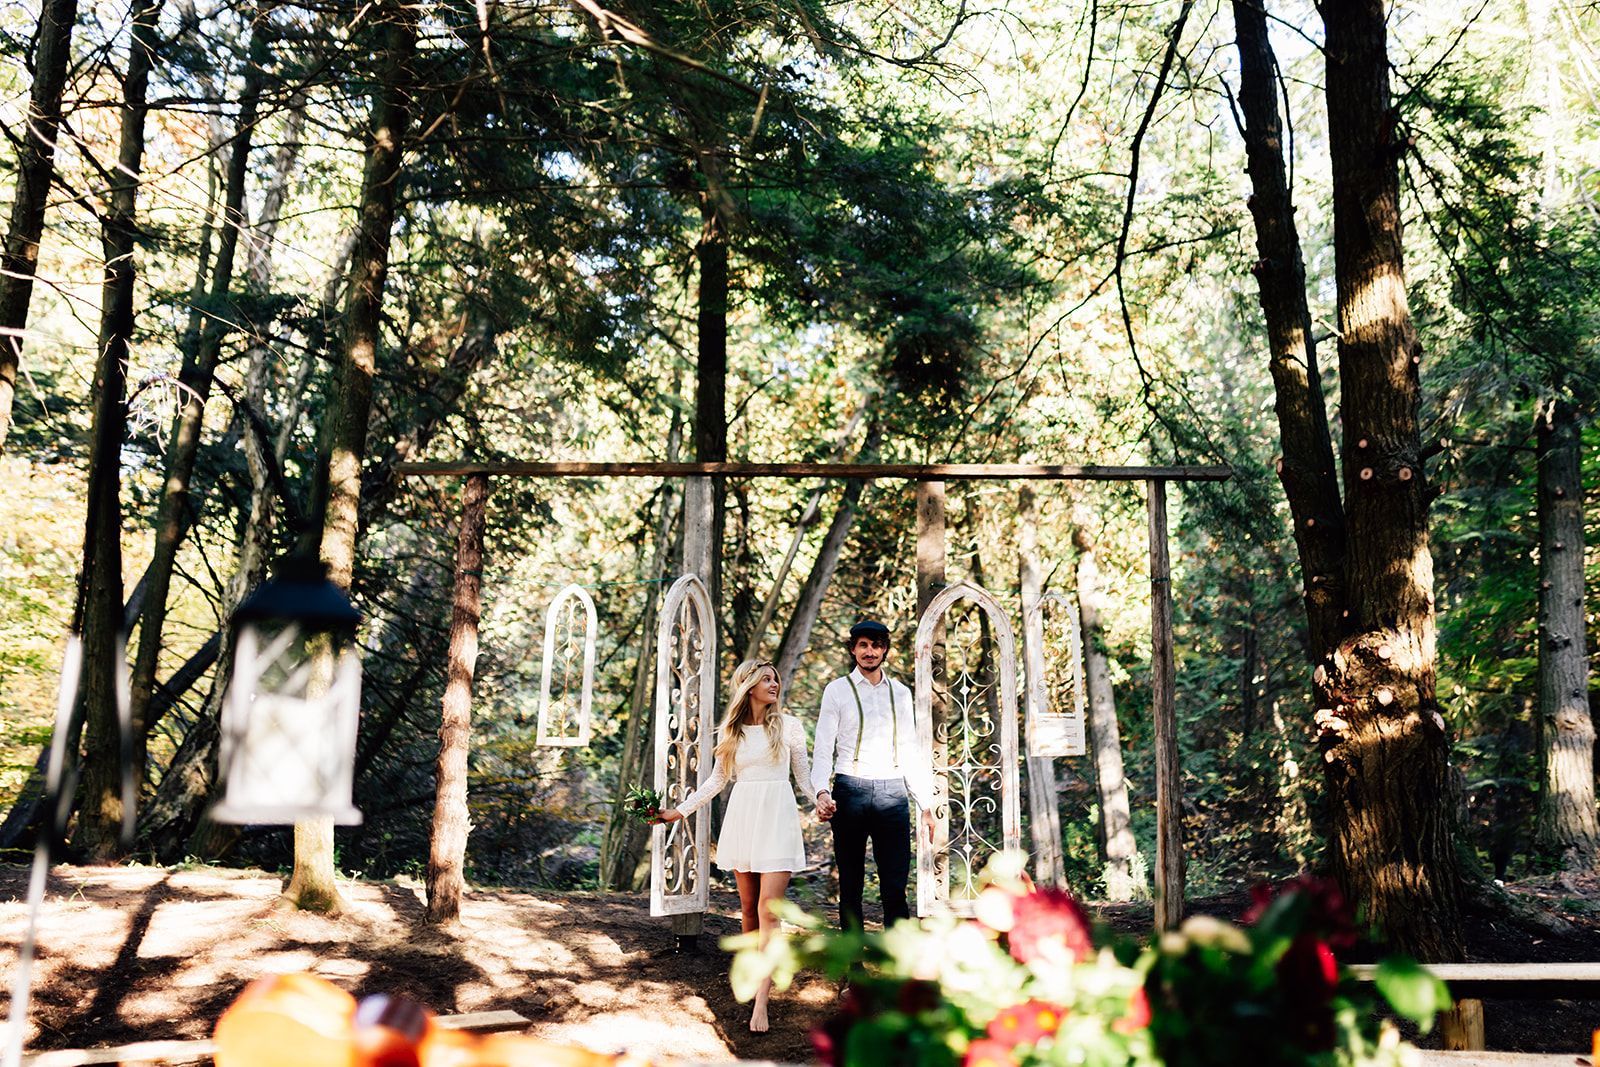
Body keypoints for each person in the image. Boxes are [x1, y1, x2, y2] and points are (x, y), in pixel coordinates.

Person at [654, 659, 817, 1032]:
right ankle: (753, 973)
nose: (774, 684)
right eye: (766, 679)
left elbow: (804, 778)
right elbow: (715, 782)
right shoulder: (731, 732)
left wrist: (822, 796)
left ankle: (762, 1000)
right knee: (747, 909)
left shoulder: (790, 727)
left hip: (777, 817)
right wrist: (678, 812)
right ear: (748, 686)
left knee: (769, 910)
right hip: (744, 818)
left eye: (776, 678)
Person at [811, 619, 936, 933]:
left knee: (894, 884)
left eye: (877, 645)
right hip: (849, 790)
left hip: (892, 793)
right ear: (853, 649)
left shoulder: (901, 693)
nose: (870, 651)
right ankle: (855, 966)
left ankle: (897, 964)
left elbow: (909, 749)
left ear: (885, 650)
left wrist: (925, 804)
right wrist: (821, 791)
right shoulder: (837, 690)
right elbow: (823, 746)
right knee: (850, 883)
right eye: (863, 645)